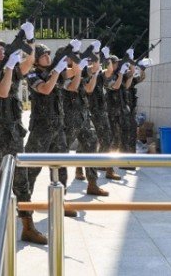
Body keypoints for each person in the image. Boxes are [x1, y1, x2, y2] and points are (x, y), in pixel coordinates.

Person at [0, 23, 47, 245]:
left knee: (21, 183)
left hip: (14, 136)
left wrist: (30, 40)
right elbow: (2, 91)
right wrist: (9, 68)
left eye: (3, 48)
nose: (2, 51)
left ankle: (27, 226)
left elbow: (30, 61)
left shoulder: (11, 69)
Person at [25, 43, 77, 217]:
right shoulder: (32, 75)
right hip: (41, 128)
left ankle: (60, 201)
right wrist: (57, 71)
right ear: (36, 60)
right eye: (43, 55)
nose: (48, 57)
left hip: (57, 127)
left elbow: (75, 74)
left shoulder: (55, 72)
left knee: (61, 166)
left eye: (49, 54)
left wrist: (73, 54)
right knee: (32, 168)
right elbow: (46, 89)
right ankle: (24, 204)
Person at [62, 44, 109, 196]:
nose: (74, 58)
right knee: (61, 153)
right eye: (71, 56)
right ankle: (61, 192)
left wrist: (96, 60)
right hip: (68, 119)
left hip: (82, 117)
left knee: (91, 144)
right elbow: (74, 86)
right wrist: (80, 71)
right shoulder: (60, 74)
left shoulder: (80, 71)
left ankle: (92, 183)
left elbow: (88, 89)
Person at [86, 44, 121, 180]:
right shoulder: (85, 74)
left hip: (100, 110)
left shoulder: (100, 75)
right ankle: (79, 168)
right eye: (93, 61)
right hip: (89, 110)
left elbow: (110, 71)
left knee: (107, 139)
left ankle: (107, 168)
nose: (95, 64)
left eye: (97, 61)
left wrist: (107, 58)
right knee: (87, 141)